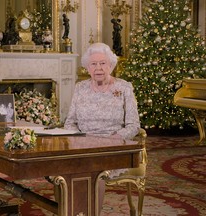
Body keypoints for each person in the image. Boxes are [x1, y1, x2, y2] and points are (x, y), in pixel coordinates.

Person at [64, 42, 140, 212]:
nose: (98, 68)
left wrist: (117, 137)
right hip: (83, 144)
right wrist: (75, 139)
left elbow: (134, 125)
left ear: (111, 65)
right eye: (93, 64)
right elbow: (70, 121)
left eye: (102, 63)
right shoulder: (80, 88)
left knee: (94, 170)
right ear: (87, 68)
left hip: (112, 146)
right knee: (63, 167)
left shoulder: (124, 87)